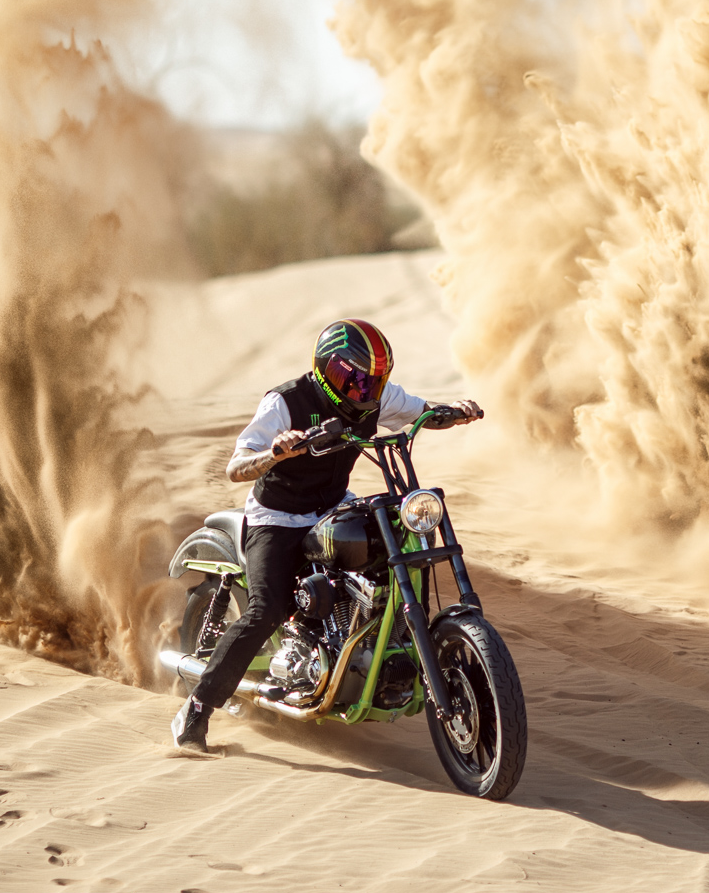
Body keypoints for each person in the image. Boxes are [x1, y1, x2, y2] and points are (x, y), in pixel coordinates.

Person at [172, 318, 482, 750]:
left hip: (333, 504)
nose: (362, 391)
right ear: (326, 369)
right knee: (267, 609)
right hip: (278, 516)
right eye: (351, 378)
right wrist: (276, 452)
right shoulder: (285, 402)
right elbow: (235, 466)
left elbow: (421, 411)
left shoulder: (377, 398)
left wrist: (452, 412)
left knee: (392, 546)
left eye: (372, 381)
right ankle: (197, 709)